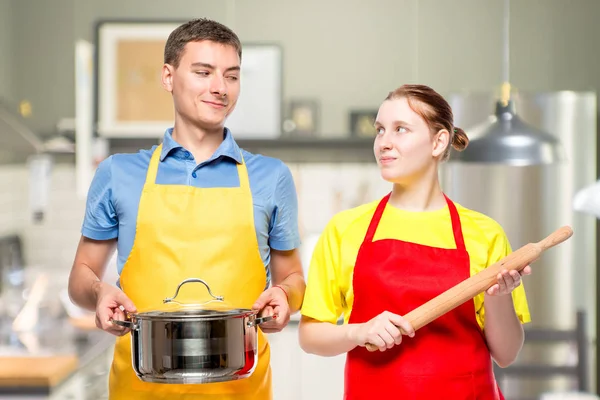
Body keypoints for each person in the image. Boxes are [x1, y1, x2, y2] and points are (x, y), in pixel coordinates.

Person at [67, 18, 305, 400]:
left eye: (231, 76)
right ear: (168, 76)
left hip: (241, 390)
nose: (219, 88)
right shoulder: (118, 173)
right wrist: (98, 292)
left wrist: (286, 296)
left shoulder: (271, 177)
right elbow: (81, 276)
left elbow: (293, 277)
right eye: (203, 72)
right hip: (139, 388)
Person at [298, 84, 531, 400]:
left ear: (438, 141)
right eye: (380, 130)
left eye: (400, 130)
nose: (384, 143)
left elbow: (506, 354)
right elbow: (310, 335)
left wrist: (498, 295)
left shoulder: (484, 233)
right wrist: (358, 331)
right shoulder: (346, 228)